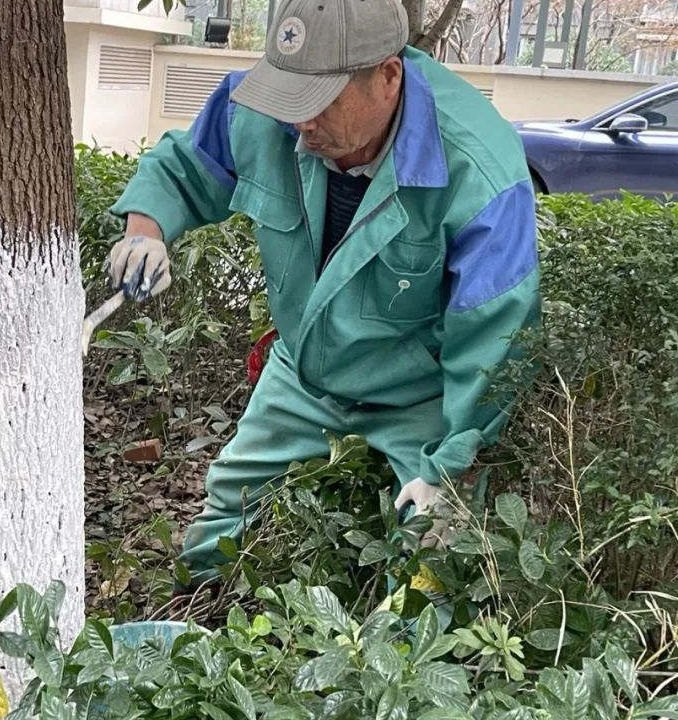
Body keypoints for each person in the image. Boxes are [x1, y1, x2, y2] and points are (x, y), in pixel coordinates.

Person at [105, 0, 541, 587]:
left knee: (428, 564)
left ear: (389, 76)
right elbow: (186, 167)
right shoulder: (267, 108)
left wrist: (450, 469)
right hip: (304, 372)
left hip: (416, 397)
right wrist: (146, 231)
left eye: (320, 102)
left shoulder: (479, 168)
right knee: (220, 527)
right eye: (290, 97)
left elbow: (496, 341)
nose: (300, 122)